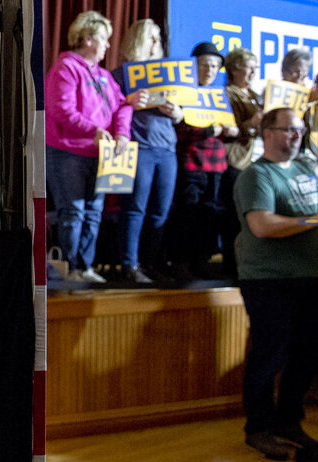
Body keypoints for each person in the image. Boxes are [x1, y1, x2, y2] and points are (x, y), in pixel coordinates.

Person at [234, 107, 318, 460]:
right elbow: (262, 225)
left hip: (307, 278)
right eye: (289, 130)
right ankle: (258, 428)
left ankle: (288, 421)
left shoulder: (307, 170)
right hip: (268, 281)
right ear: (267, 133)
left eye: (300, 130)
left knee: (309, 353)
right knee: (269, 356)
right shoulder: (255, 176)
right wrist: (317, 219)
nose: (296, 136)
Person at [45, 10, 132, 283]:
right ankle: (69, 269)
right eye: (104, 38)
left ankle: (86, 266)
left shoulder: (105, 75)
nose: (108, 45)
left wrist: (122, 134)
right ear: (88, 39)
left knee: (95, 212)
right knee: (73, 211)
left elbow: (123, 107)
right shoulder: (66, 68)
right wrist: (93, 130)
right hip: (67, 152)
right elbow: (61, 109)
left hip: (102, 154)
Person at [111, 18, 181, 284]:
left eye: (158, 37)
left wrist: (177, 113)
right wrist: (131, 102)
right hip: (139, 147)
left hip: (167, 149)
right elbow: (112, 107)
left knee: (160, 211)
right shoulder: (123, 73)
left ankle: (150, 264)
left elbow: (183, 109)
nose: (156, 42)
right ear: (138, 40)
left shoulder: (170, 73)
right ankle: (129, 265)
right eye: (151, 37)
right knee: (134, 209)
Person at [170, 41, 238, 278]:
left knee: (210, 214)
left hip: (217, 164)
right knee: (188, 213)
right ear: (193, 66)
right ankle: (181, 262)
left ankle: (202, 261)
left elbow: (229, 129)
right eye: (205, 65)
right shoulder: (183, 92)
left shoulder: (219, 95)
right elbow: (178, 129)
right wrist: (208, 131)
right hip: (190, 162)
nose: (209, 71)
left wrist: (232, 131)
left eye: (214, 66)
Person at [222, 48, 264, 279]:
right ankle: (231, 265)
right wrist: (251, 122)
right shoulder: (228, 93)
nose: (252, 73)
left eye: (255, 68)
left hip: (258, 162)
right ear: (234, 69)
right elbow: (231, 128)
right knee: (234, 217)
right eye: (248, 68)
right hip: (238, 161)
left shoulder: (256, 95)